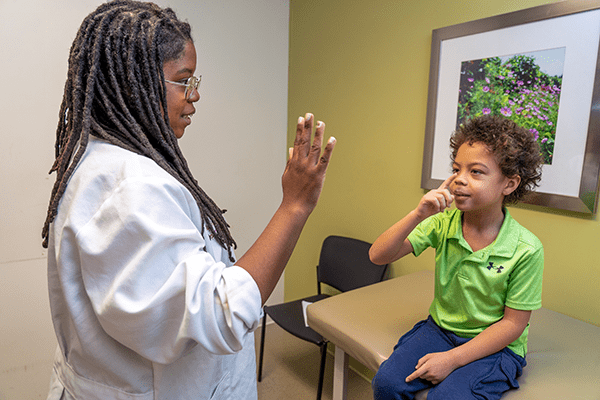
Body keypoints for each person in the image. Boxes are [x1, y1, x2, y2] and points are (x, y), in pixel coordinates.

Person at [41, 1, 335, 399]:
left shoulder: (97, 161)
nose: (195, 96)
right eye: (185, 80)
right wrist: (294, 206)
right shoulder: (130, 188)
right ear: (136, 82)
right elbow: (221, 314)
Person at [369, 115, 544, 400]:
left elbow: (513, 324)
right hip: (440, 330)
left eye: (476, 172)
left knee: (446, 398)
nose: (459, 179)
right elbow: (377, 255)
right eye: (456, 169)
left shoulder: (526, 248)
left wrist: (452, 359)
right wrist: (418, 215)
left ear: (509, 184)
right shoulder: (442, 223)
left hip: (496, 346)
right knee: (386, 383)